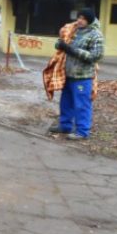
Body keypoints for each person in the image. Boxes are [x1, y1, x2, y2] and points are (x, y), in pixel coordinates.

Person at [49, 8, 104, 140]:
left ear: (89, 20)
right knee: (65, 102)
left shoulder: (96, 35)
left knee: (82, 105)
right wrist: (60, 44)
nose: (79, 20)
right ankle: (65, 126)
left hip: (83, 77)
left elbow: (96, 56)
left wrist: (72, 50)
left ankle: (82, 131)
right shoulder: (74, 30)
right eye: (79, 17)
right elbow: (61, 42)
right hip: (68, 74)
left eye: (83, 18)